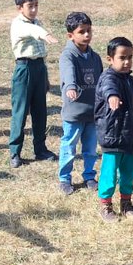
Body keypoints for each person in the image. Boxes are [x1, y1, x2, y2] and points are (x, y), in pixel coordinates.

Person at [94, 36, 133, 222]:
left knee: (128, 173)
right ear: (110, 59)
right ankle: (105, 205)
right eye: (122, 57)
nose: (127, 61)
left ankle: (126, 202)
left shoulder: (132, 82)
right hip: (112, 136)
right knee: (109, 174)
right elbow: (108, 88)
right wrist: (112, 96)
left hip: (131, 137)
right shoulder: (108, 78)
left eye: (130, 57)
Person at [8, 0, 58, 169]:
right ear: (20, 7)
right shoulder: (19, 24)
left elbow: (38, 39)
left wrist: (45, 76)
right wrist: (45, 35)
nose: (34, 9)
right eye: (30, 6)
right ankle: (15, 152)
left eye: (36, 5)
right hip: (24, 69)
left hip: (38, 68)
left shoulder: (36, 22)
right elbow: (31, 32)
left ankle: (40, 148)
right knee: (20, 112)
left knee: (40, 111)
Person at [57, 11, 103, 195]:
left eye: (89, 31)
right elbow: (68, 73)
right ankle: (64, 178)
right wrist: (71, 87)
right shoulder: (68, 56)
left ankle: (89, 176)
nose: (87, 35)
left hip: (93, 113)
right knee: (69, 146)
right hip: (74, 113)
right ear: (70, 35)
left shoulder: (95, 57)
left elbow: (102, 80)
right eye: (82, 31)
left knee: (91, 148)